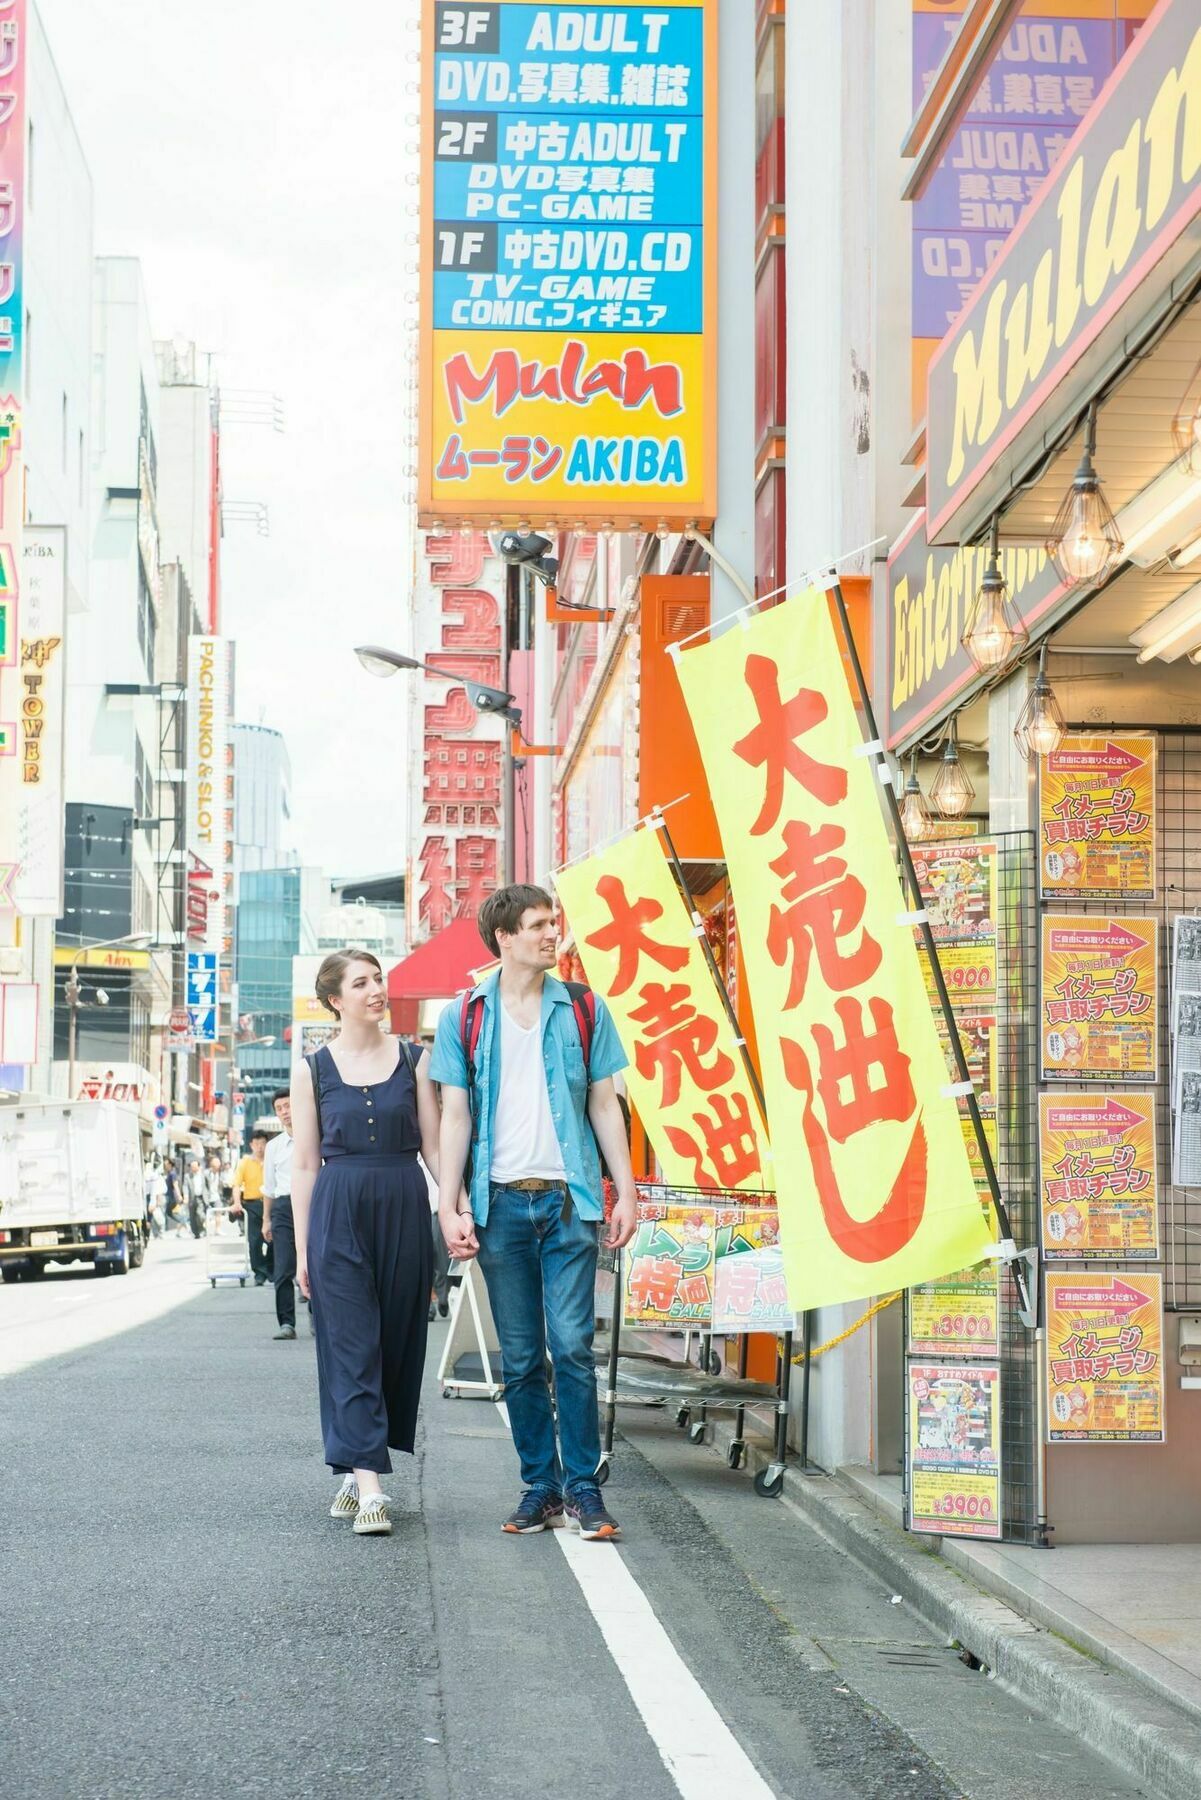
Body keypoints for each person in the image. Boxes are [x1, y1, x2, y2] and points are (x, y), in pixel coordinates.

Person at [432, 884, 637, 1542]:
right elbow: (453, 1115)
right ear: (505, 938)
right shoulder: (463, 1015)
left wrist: (625, 1190)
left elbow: (605, 1105)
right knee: (520, 1357)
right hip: (498, 1206)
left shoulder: (582, 1008)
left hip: (566, 1200)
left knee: (572, 1348)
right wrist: (449, 1204)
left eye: (555, 922)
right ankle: (538, 1486)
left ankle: (583, 1487)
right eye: (539, 925)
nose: (554, 934)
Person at [291, 949, 445, 1537]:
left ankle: (355, 1473)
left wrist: (453, 1207)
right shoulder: (312, 1069)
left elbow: (432, 1145)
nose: (376, 989)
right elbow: (305, 1164)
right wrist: (304, 1250)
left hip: (404, 1203)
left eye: (378, 979)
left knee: (394, 1343)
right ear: (335, 999)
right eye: (362, 983)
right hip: (337, 1208)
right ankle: (375, 1489)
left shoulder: (415, 1060)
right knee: (351, 1345)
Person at [261, 1090, 299, 1341]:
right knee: (284, 1267)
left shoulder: (315, 1137)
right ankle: (287, 1322)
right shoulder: (273, 1147)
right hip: (284, 1208)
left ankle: (320, 1320)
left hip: (313, 1203)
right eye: (279, 1108)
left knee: (319, 1265)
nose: (284, 1111)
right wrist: (266, 1219)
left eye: (288, 1105)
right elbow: (269, 1186)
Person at [231, 1131, 272, 1285]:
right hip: (253, 1205)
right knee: (255, 1241)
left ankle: (272, 1269)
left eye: (262, 1144)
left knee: (274, 1239)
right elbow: (236, 1184)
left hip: (272, 1202)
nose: (259, 1147)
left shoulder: (272, 1160)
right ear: (251, 1145)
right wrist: (237, 1202)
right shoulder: (245, 1162)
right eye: (256, 1144)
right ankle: (260, 1273)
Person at [184, 1156, 207, 1239]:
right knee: (192, 1217)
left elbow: (207, 1186)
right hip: (191, 1199)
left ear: (198, 1166)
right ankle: (196, 1233)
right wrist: (186, 1196)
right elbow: (185, 1186)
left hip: (200, 1198)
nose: (193, 1168)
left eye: (194, 1166)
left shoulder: (203, 1175)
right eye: (191, 1167)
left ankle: (202, 1229)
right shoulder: (187, 1176)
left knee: (200, 1214)